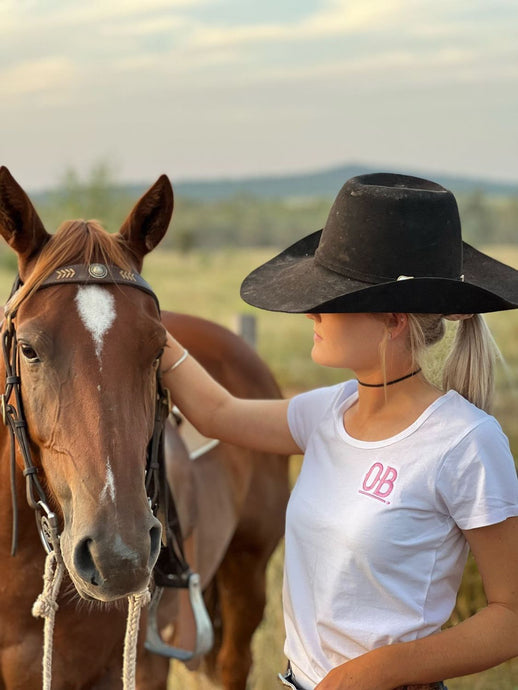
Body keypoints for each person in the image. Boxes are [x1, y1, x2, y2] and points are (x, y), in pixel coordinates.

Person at [159, 173, 518, 690]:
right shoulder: (329, 413)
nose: (312, 311)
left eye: (331, 297)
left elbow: (509, 617)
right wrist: (143, 322)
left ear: (393, 319)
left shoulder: (465, 443)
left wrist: (378, 670)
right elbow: (217, 413)